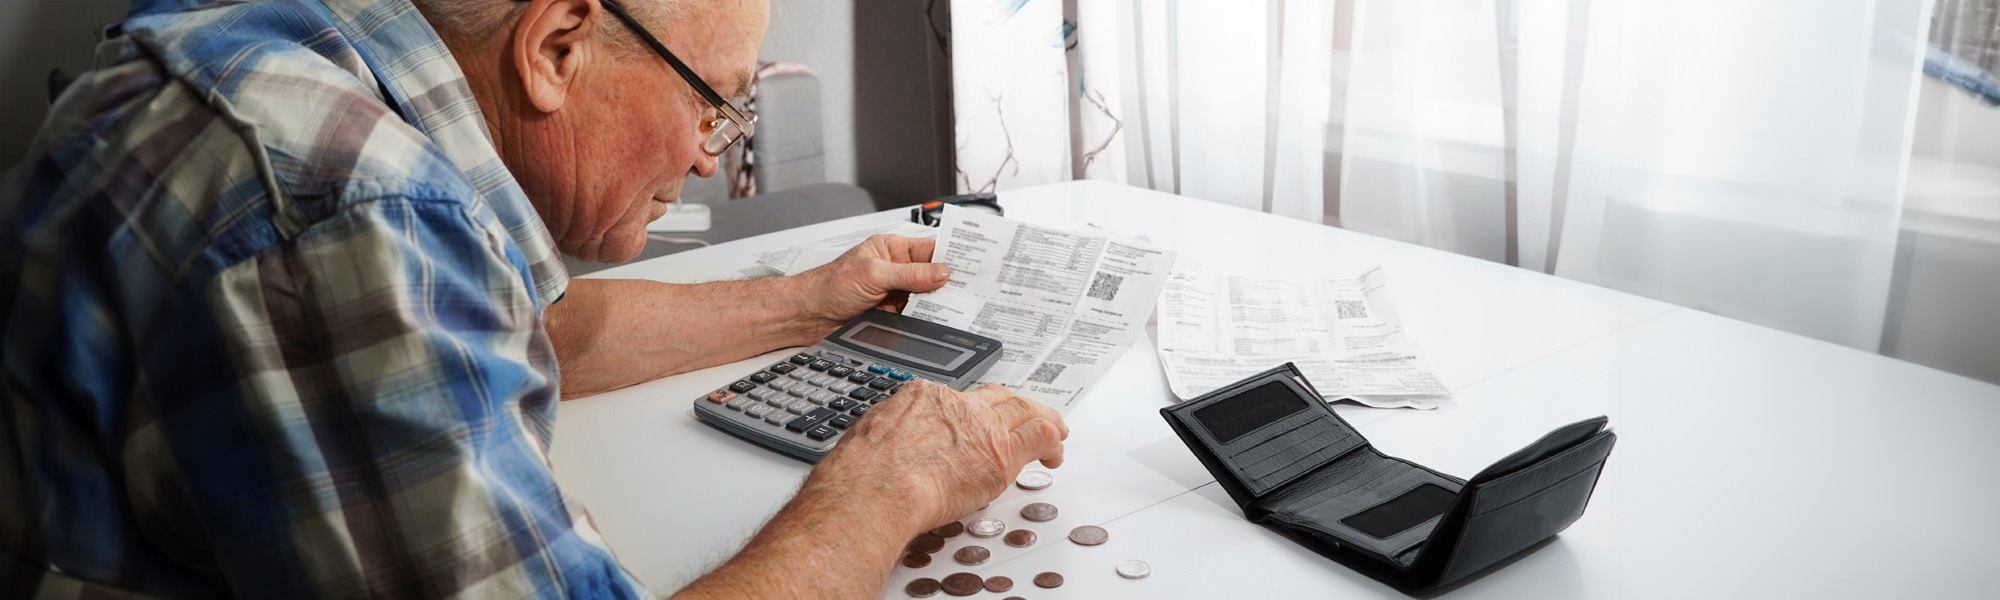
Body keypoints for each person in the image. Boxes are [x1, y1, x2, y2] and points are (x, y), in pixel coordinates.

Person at [0, 0, 1068, 597]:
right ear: (557, 46)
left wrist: (806, 303)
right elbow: (390, 269)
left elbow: (523, 323)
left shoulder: (297, 44)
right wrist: (882, 487)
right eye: (716, 105)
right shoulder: (354, 217)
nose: (709, 160)